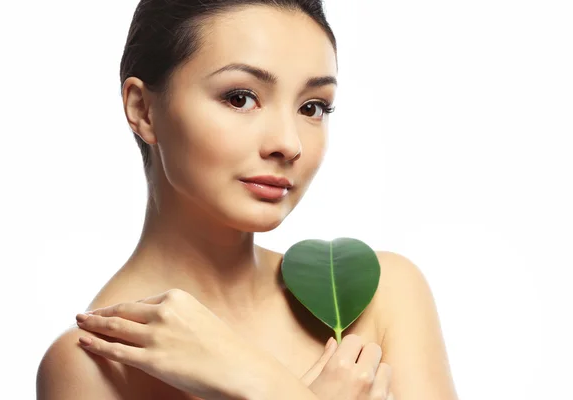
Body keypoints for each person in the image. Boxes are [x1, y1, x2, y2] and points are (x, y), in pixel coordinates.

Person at [36, 1, 459, 399]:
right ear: (144, 110)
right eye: (240, 98)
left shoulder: (383, 292)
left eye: (312, 107)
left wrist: (250, 375)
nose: (288, 143)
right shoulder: (96, 362)